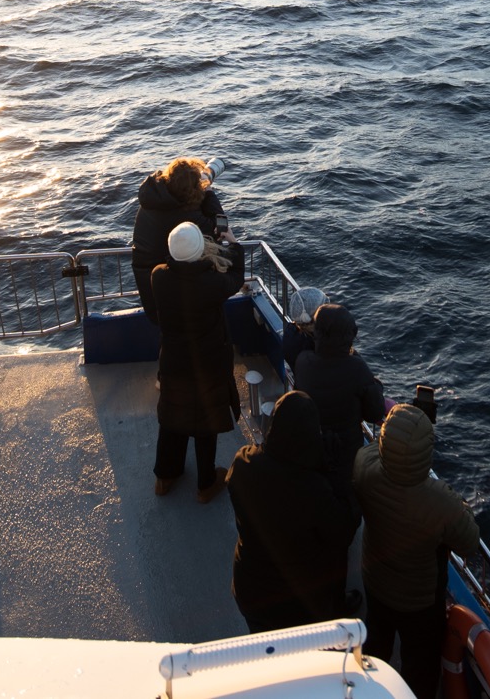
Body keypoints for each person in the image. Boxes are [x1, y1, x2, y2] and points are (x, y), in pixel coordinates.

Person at [352, 402, 481, 699]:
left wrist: (396, 427)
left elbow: (374, 452)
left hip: (375, 580)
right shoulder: (440, 503)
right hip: (419, 602)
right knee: (420, 665)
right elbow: (470, 542)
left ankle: (371, 689)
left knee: (377, 643)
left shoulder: (364, 468)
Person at [226, 389, 360, 632]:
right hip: (295, 607)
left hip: (249, 590)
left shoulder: (243, 463)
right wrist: (334, 472)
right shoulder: (313, 489)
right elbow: (344, 530)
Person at [148, 221, 243, 502]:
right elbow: (235, 278)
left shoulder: (158, 277)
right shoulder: (211, 283)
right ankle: (206, 484)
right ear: (200, 251)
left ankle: (165, 477)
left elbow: (180, 270)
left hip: (173, 361)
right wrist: (234, 244)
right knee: (205, 421)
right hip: (207, 364)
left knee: (171, 415)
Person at [291, 303, 386, 491]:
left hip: (311, 443)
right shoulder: (357, 369)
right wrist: (376, 386)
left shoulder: (303, 360)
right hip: (346, 451)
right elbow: (375, 413)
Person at [132, 157, 225, 316]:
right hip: (172, 294)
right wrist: (208, 193)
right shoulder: (185, 215)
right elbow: (219, 229)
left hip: (150, 286)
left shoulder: (153, 198)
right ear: (192, 190)